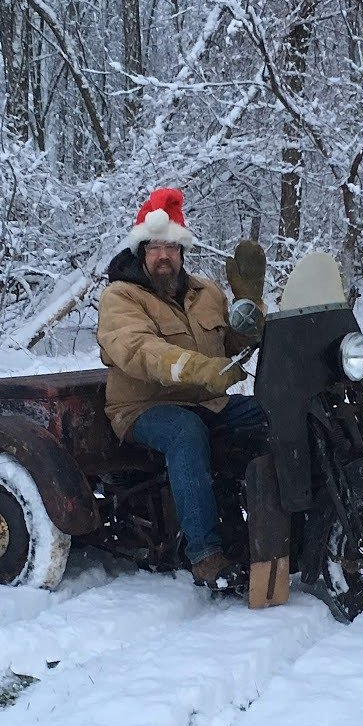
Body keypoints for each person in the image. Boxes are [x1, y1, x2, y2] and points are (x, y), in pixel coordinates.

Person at [96, 187, 267, 589]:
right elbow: (139, 349)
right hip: (142, 408)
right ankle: (206, 555)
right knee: (184, 433)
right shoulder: (120, 296)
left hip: (208, 402)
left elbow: (233, 347)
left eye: (171, 246)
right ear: (141, 251)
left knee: (271, 414)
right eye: (154, 247)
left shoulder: (207, 293)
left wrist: (250, 306)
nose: (163, 256)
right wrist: (199, 370)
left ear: (182, 251)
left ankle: (280, 522)